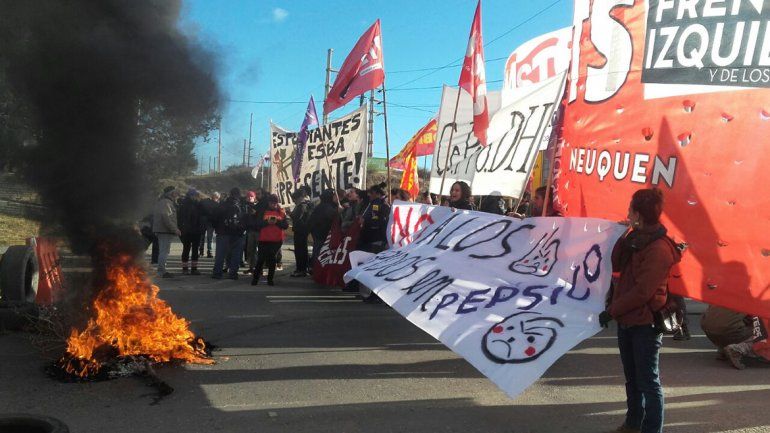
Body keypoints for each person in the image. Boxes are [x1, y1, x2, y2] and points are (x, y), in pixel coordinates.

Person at [600, 188, 681, 433]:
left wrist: (612, 310)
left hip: (645, 323)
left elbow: (643, 292)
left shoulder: (659, 248)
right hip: (628, 320)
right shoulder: (636, 238)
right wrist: (621, 235)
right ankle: (633, 422)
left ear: (638, 214)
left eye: (630, 209)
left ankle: (651, 429)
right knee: (632, 379)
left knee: (648, 382)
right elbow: (615, 263)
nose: (627, 212)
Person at [701, 305, 770, 370]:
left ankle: (722, 348)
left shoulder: (728, 292)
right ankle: (739, 349)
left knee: (730, 318)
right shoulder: (757, 296)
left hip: (709, 332)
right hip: (730, 331)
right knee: (764, 329)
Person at [251, 194, 288, 286]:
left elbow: (285, 225)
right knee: (261, 259)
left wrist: (277, 222)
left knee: (272, 260)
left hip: (276, 240)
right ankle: (255, 278)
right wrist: (267, 222)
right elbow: (257, 224)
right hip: (264, 239)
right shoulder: (263, 211)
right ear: (269, 203)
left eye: (275, 203)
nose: (274, 205)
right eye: (272, 203)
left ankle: (270, 279)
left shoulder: (281, 212)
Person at [212, 187, 247, 280]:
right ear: (239, 195)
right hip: (238, 233)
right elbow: (246, 219)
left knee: (220, 254)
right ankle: (233, 273)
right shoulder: (242, 206)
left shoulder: (223, 204)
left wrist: (217, 228)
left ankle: (217, 273)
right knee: (236, 254)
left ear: (230, 194)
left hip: (223, 233)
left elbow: (214, 217)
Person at [152, 186, 181, 278]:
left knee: (164, 251)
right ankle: (162, 271)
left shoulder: (164, 202)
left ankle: (162, 270)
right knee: (164, 251)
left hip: (164, 230)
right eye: (175, 193)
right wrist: (175, 229)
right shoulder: (166, 203)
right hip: (165, 231)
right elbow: (166, 218)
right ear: (171, 193)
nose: (177, 195)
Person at [308, 189, 339, 267]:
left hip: (318, 232)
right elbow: (331, 215)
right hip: (321, 233)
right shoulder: (327, 206)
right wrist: (338, 211)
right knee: (319, 251)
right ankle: (316, 267)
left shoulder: (322, 205)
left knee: (317, 249)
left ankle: (314, 266)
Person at [178, 188, 204, 275]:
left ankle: (189, 269)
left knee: (189, 249)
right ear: (190, 195)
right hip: (192, 231)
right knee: (191, 249)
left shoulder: (184, 205)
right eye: (193, 195)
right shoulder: (196, 205)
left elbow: (180, 219)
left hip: (190, 231)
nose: (194, 197)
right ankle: (190, 269)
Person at [359, 183, 390, 254]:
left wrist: (364, 220)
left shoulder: (376, 204)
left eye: (371, 193)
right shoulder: (372, 203)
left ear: (378, 194)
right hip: (371, 235)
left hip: (374, 236)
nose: (369, 195)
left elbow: (375, 219)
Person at [290, 188, 313, 277]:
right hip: (302, 230)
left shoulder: (302, 206)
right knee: (301, 250)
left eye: (294, 199)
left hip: (300, 230)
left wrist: (290, 214)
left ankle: (301, 269)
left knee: (300, 251)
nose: (294, 201)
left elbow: (297, 218)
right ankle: (302, 268)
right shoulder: (304, 205)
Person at [198, 192, 220, 258]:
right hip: (210, 223)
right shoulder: (217, 204)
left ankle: (201, 252)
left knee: (202, 237)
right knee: (210, 238)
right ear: (216, 197)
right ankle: (209, 252)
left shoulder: (205, 202)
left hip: (203, 221)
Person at [243, 190, 260, 275]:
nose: (250, 198)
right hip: (249, 231)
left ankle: (258, 268)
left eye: (251, 196)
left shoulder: (257, 206)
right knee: (250, 250)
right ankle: (251, 267)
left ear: (254, 198)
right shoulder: (244, 206)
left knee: (257, 251)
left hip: (257, 231)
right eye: (248, 196)